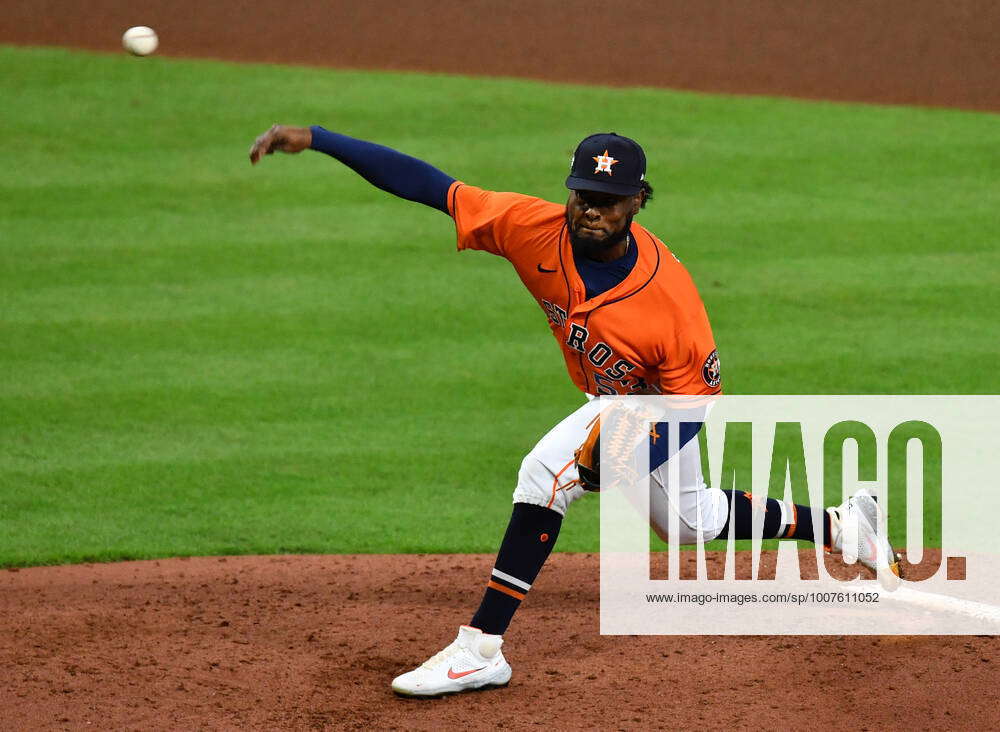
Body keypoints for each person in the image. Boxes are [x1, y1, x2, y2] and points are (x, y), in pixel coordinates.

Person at [249, 125, 901, 697]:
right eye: (584, 194)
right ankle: (847, 526)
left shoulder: (672, 307)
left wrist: (613, 461)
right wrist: (321, 138)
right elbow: (430, 186)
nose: (592, 210)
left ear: (637, 203)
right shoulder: (529, 225)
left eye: (609, 201)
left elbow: (691, 407)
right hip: (614, 398)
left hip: (663, 407)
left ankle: (480, 649)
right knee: (688, 521)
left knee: (546, 475)